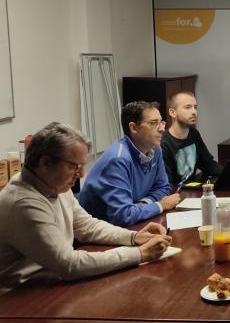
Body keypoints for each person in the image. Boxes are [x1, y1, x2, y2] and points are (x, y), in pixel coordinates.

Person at [0, 122, 171, 295]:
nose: (81, 174)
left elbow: (87, 226)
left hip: (50, 281)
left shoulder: (53, 184)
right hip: (20, 298)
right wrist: (139, 254)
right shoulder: (23, 202)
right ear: (45, 163)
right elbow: (68, 264)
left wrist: (134, 237)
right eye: (74, 166)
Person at [79, 101, 180, 226]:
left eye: (161, 122)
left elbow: (163, 187)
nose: (162, 128)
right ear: (133, 128)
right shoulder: (118, 159)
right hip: (99, 233)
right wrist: (160, 205)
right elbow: (123, 216)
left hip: (134, 222)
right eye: (154, 123)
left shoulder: (155, 149)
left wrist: (142, 205)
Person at [161, 91, 223, 189]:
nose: (194, 112)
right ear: (172, 112)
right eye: (188, 107)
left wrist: (228, 174)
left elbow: (208, 164)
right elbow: (168, 184)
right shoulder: (163, 143)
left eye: (195, 107)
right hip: (177, 194)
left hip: (193, 190)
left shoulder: (193, 133)